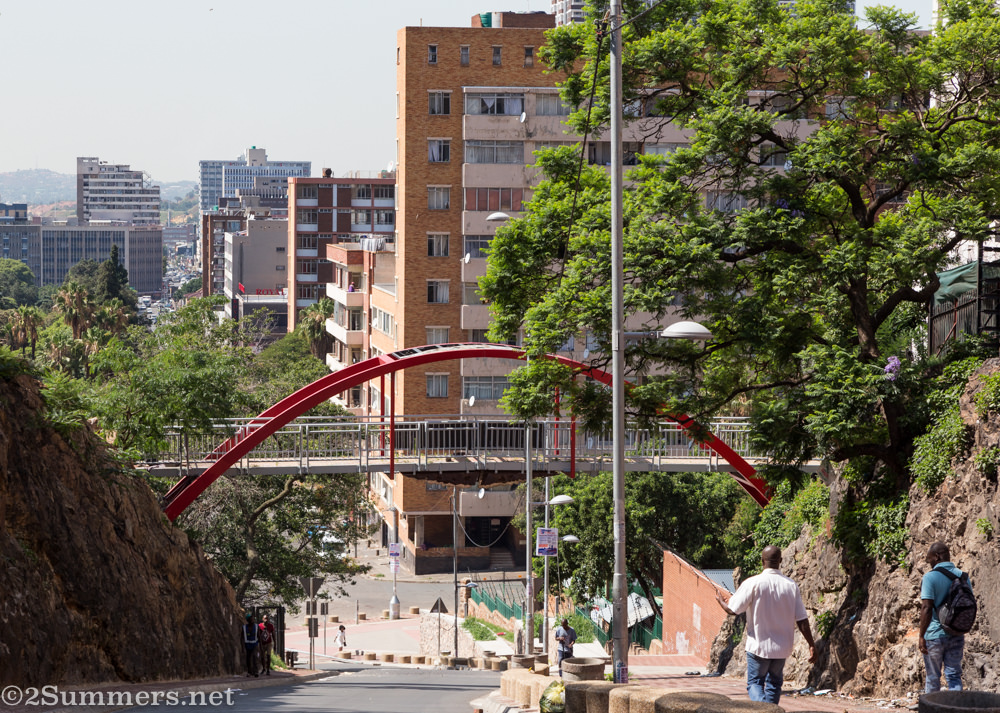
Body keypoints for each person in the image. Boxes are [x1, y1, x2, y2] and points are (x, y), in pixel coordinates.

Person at [716, 545, 816, 704]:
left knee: (755, 683)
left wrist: (721, 601)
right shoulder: (790, 585)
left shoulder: (753, 583)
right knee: (774, 684)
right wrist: (811, 643)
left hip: (758, 646)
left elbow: (733, 609)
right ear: (781, 561)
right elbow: (802, 619)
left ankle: (763, 710)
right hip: (781, 649)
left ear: (762, 561)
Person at [920, 542, 965, 693]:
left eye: (930, 559)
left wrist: (921, 636)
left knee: (933, 677)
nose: (930, 563)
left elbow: (926, 608)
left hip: (934, 635)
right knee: (954, 676)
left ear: (937, 556)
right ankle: (956, 709)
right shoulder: (962, 576)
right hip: (957, 633)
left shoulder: (930, 577)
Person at [242, 613, 259, 678]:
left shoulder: (256, 627)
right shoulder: (244, 627)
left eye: (253, 619)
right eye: (251, 619)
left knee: (255, 657)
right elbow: (242, 637)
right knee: (248, 659)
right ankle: (249, 671)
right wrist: (242, 647)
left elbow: (259, 636)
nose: (252, 620)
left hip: (254, 644)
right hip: (247, 644)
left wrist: (260, 646)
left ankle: (256, 671)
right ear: (248, 620)